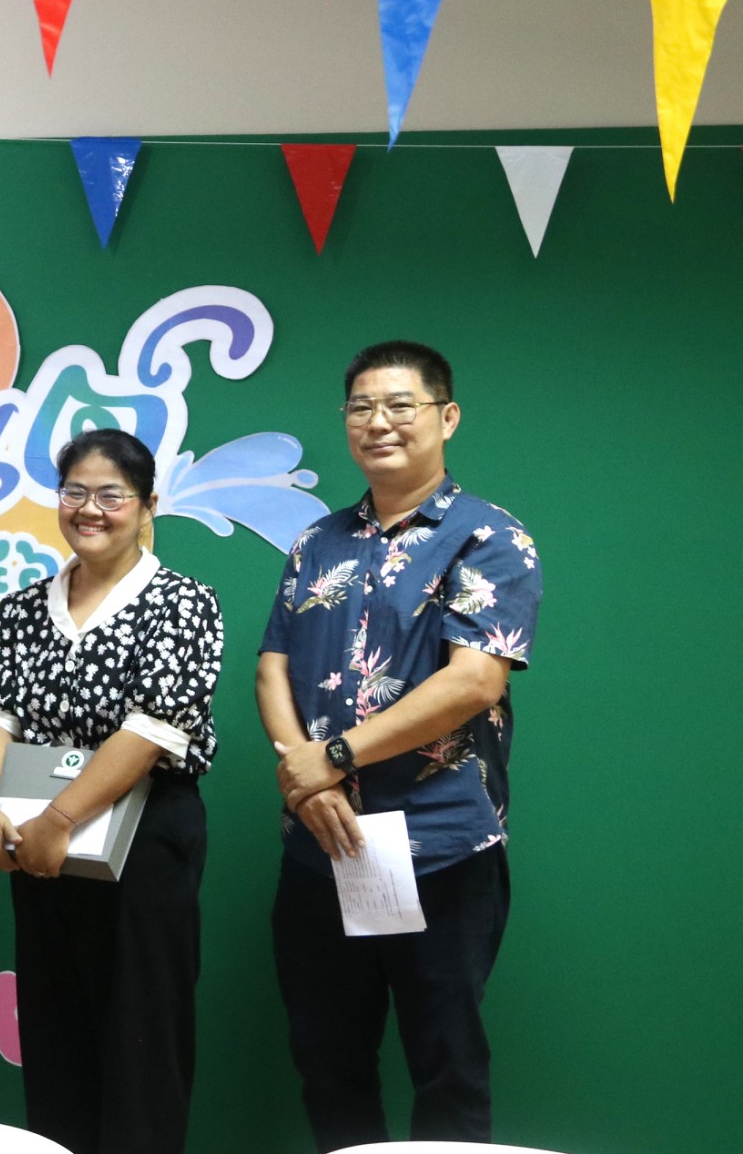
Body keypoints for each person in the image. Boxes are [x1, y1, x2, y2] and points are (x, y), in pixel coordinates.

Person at [259, 340, 542, 1151]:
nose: (377, 422)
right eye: (361, 407)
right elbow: (272, 665)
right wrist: (307, 777)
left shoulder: (488, 536)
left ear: (446, 417)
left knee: (446, 1067)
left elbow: (473, 681)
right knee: (327, 1061)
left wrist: (334, 756)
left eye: (400, 405)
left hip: (441, 846)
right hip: (322, 845)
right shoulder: (317, 541)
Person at [0, 428, 223, 1154]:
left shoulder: (183, 602)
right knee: (54, 1028)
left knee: (143, 1035)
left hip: (144, 835)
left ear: (147, 506)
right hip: (38, 839)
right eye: (74, 491)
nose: (89, 509)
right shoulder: (23, 607)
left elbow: (152, 729)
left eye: (111, 495)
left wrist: (63, 815)